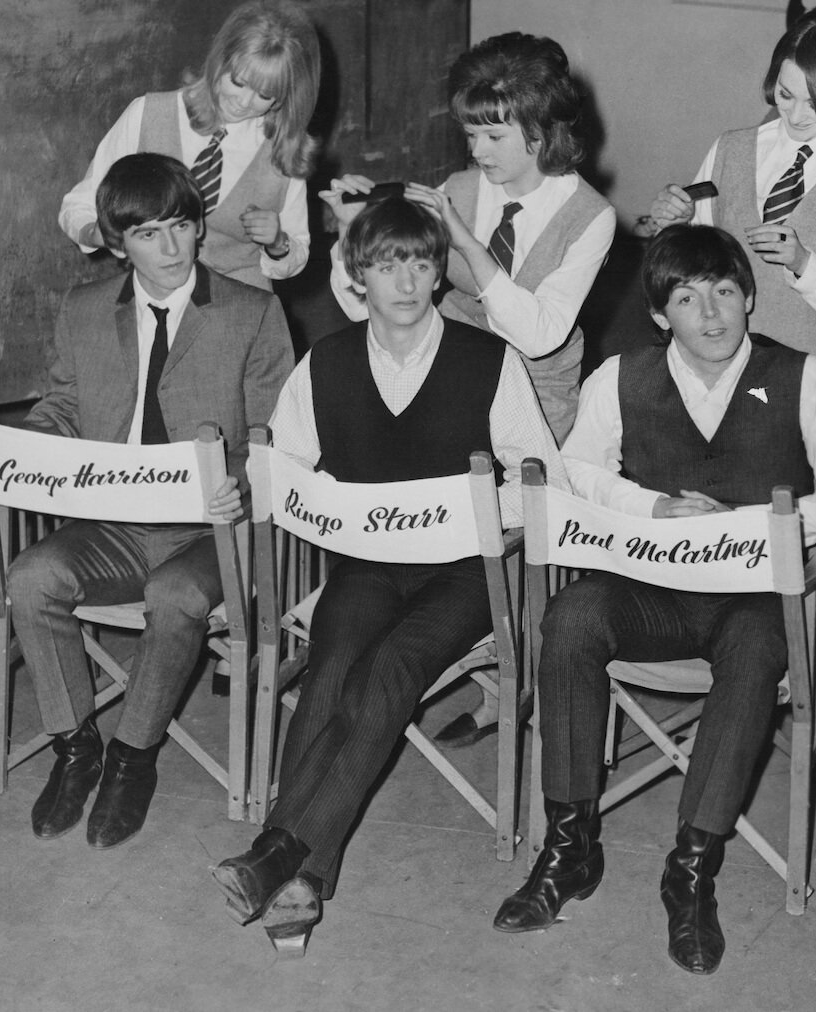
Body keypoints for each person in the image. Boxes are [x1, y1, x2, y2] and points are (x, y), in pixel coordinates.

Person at [492, 224, 816, 975]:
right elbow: (575, 473)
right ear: (661, 313)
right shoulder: (621, 376)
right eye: (687, 297)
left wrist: (749, 522)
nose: (711, 313)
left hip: (751, 594)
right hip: (652, 583)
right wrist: (651, 508)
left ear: (750, 298)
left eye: (727, 292)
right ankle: (570, 848)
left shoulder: (805, 377)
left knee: (758, 645)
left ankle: (691, 869)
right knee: (569, 617)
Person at [210, 196, 564, 956]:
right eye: (385, 263)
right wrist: (263, 487)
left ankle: (280, 848)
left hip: (466, 570)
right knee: (335, 666)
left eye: (421, 262)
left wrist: (477, 504)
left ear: (440, 275)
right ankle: (299, 873)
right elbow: (283, 470)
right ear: (357, 274)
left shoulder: (488, 360)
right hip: (367, 562)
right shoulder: (326, 363)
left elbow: (545, 481)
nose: (405, 279)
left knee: (392, 666)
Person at [0, 152, 293, 849]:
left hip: (210, 534)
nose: (170, 248)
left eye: (181, 226)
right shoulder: (84, 310)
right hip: (112, 520)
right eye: (147, 234)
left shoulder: (254, 312)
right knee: (31, 576)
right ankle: (76, 749)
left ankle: (131, 760)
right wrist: (4, 461)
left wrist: (240, 480)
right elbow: (63, 408)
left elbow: (274, 437)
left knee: (175, 596)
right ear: (117, 244)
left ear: (201, 227)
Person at [325, 31, 616, 748]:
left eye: (493, 133)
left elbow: (541, 330)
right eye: (469, 132)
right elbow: (375, 306)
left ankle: (513, 676)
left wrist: (465, 243)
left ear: (542, 130)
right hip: (447, 386)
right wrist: (349, 239)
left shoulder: (590, 217)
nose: (477, 150)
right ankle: (456, 665)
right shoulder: (458, 189)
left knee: (508, 536)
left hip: (535, 396)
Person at [646, 7, 816, 375]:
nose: (796, 115)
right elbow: (683, 269)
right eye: (786, 94)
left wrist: (804, 265)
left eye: (815, 103)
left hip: (806, 377)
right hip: (711, 367)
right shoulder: (730, 148)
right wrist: (673, 226)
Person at [59, 0, 320, 289]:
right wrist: (95, 233)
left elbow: (297, 251)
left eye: (265, 95)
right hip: (156, 294)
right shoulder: (148, 114)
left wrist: (278, 242)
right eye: (238, 81)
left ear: (283, 97)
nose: (244, 102)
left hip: (242, 302)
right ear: (219, 61)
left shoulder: (285, 149)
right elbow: (79, 204)